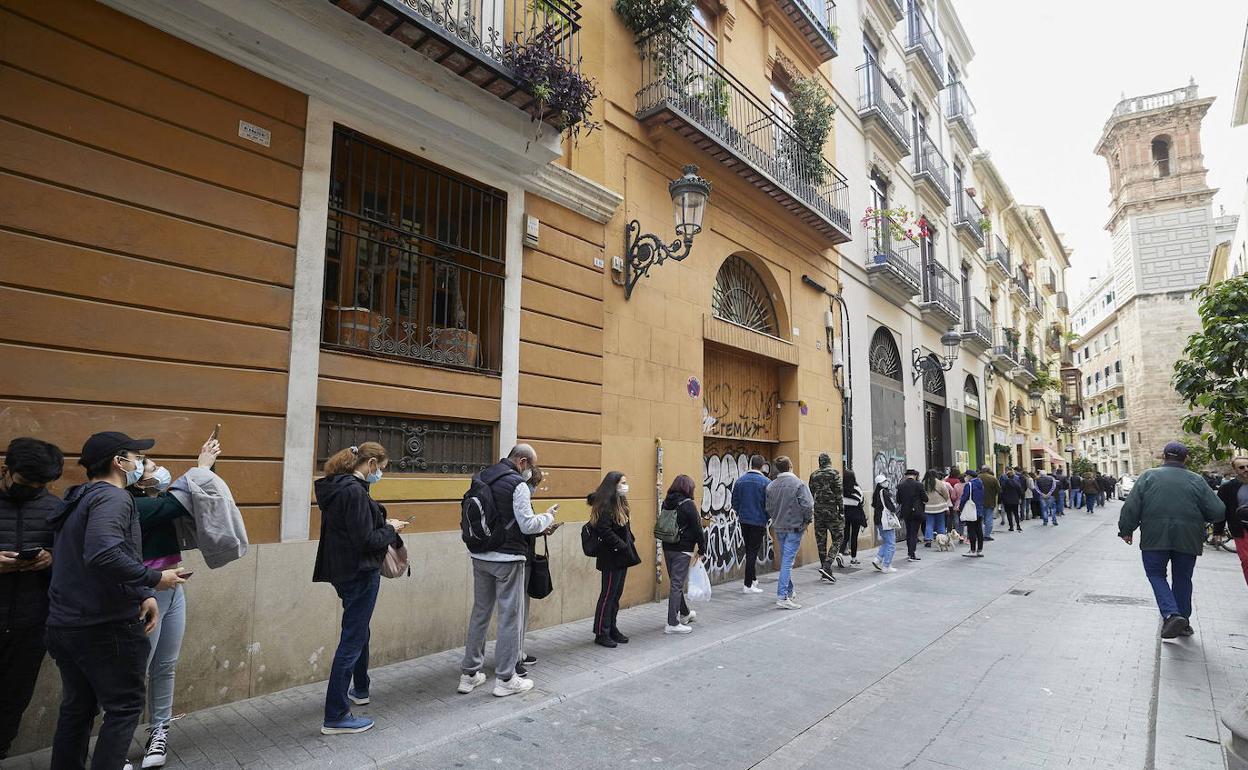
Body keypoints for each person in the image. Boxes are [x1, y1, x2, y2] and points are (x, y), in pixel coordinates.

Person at [46, 432, 186, 770]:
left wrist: (143, 594)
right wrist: (155, 579)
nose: (139, 463)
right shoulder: (113, 499)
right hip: (102, 626)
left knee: (77, 709)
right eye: (136, 457)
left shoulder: (79, 496)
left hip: (67, 624)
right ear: (118, 462)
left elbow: (100, 554)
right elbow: (104, 553)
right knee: (124, 708)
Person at [132, 437, 223, 764]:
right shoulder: (131, 504)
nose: (161, 471)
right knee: (137, 669)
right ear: (136, 475)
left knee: (165, 665)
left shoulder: (154, 497)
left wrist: (208, 467)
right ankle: (117, 741)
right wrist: (201, 468)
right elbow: (179, 503)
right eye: (153, 467)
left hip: (174, 588)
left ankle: (159, 733)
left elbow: (200, 498)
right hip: (147, 593)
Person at [312, 442, 408, 734]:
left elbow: (354, 530)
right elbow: (366, 540)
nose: (380, 474)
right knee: (352, 639)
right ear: (370, 464)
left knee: (359, 629)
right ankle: (336, 715)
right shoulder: (354, 491)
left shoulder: (336, 487)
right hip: (360, 571)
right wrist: (391, 529)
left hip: (343, 570)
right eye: (381, 468)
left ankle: (360, 688)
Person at [459, 445, 555, 694]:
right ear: (522, 461)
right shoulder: (517, 484)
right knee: (510, 618)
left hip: (479, 555)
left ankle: (469, 674)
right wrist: (548, 517)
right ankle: (505, 679)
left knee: (480, 613)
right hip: (508, 558)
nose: (530, 472)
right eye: (531, 466)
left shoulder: (482, 476)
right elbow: (527, 524)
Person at [1119, 442, 1223, 639]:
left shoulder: (1148, 476)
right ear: (1186, 458)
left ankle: (1171, 614)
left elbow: (1131, 506)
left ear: (1163, 456)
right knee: (1183, 578)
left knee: (1156, 574)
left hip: (1154, 537)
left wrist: (1126, 530)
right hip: (1188, 538)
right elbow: (1217, 511)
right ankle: (1183, 622)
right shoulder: (1197, 480)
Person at [0, 438, 63, 759]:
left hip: (30, 628)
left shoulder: (55, 509)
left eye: (41, 485)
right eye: (27, 482)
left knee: (10, 708)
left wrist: (50, 559)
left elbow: (71, 566)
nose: (34, 489)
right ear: (6, 470)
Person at [586, 471, 640, 647]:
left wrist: (629, 541)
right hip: (610, 557)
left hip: (621, 556)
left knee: (616, 595)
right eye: (622, 483)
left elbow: (624, 526)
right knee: (608, 595)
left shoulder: (620, 502)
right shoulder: (606, 505)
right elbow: (604, 530)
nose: (625, 486)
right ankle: (601, 632)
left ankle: (612, 628)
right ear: (613, 485)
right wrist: (621, 545)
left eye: (625, 482)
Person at [660, 474, 706, 634]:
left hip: (667, 547)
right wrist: (702, 549)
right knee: (677, 585)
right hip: (683, 549)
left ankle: (685, 613)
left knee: (675, 582)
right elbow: (697, 528)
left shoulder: (666, 503)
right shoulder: (688, 504)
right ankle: (672, 623)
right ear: (688, 488)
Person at [765, 456, 813, 609]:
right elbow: (808, 505)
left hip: (779, 526)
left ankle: (789, 590)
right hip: (794, 527)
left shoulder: (771, 486)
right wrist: (806, 521)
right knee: (787, 561)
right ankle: (782, 595)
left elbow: (769, 508)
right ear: (791, 466)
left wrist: (776, 518)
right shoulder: (799, 484)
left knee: (786, 559)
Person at [731, 454, 771, 593]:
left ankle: (753, 579)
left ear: (751, 464)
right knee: (752, 552)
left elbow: (734, 502)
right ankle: (748, 585)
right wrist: (766, 517)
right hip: (758, 521)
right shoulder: (766, 482)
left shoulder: (740, 481)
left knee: (749, 550)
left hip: (744, 520)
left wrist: (741, 512)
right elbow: (769, 504)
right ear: (762, 466)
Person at [808, 453, 844, 582]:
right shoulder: (835, 474)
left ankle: (824, 571)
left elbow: (810, 493)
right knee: (839, 537)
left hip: (818, 511)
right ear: (829, 461)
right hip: (832, 510)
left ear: (819, 462)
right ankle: (828, 565)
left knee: (821, 541)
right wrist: (842, 511)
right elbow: (839, 493)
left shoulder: (813, 475)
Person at [1214, 458, 1248, 587]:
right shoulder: (1227, 488)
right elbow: (1221, 510)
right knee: (1246, 561)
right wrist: (1218, 531)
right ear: (1235, 470)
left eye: (1247, 466)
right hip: (1240, 529)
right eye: (1241, 467)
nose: (1246, 469)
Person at [895, 469, 928, 562]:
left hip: (906, 512)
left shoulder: (901, 485)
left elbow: (898, 500)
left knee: (909, 532)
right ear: (915, 475)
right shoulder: (919, 485)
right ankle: (912, 553)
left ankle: (909, 552)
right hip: (917, 512)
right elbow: (925, 498)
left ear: (906, 475)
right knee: (914, 533)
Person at [871, 475, 898, 573]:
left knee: (886, 541)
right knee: (891, 544)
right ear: (881, 483)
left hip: (878, 520)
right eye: (884, 481)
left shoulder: (876, 493)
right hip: (885, 521)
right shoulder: (885, 493)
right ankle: (886, 566)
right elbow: (891, 507)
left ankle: (877, 559)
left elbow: (874, 505)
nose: (886, 482)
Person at [839, 470, 866, 565]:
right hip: (856, 515)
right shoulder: (857, 489)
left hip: (845, 514)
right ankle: (853, 559)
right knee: (854, 537)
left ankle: (840, 554)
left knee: (845, 536)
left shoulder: (841, 489)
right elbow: (862, 501)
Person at [958, 470, 986, 557]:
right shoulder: (980, 483)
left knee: (971, 529)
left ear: (969, 476)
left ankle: (972, 549)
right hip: (979, 509)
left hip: (971, 510)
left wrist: (961, 507)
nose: (965, 477)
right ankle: (980, 550)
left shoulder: (969, 485)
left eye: (966, 475)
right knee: (979, 530)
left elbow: (964, 498)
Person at [921, 470, 950, 548]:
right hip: (940, 507)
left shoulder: (923, 483)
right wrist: (944, 500)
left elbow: (922, 495)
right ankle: (943, 538)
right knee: (941, 523)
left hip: (928, 507)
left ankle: (928, 539)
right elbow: (946, 494)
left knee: (929, 524)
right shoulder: (939, 482)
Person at [998, 468, 1024, 533]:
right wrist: (1021, 498)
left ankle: (1011, 526)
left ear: (1007, 476)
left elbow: (1001, 492)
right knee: (1016, 513)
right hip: (1015, 500)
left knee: (1009, 514)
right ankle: (1018, 525)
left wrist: (999, 501)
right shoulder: (1016, 483)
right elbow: (1020, 491)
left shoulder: (1004, 484)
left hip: (1006, 501)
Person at [979, 467, 1000, 541]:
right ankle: (987, 535)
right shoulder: (993, 479)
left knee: (980, 519)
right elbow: (998, 490)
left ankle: (980, 534)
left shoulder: (977, 478)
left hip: (979, 502)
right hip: (990, 501)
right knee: (989, 518)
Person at [946, 470, 965, 541]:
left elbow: (953, 496)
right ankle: (961, 534)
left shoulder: (956, 486)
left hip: (957, 505)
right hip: (965, 505)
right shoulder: (968, 485)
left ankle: (957, 533)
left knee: (956, 519)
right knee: (962, 521)